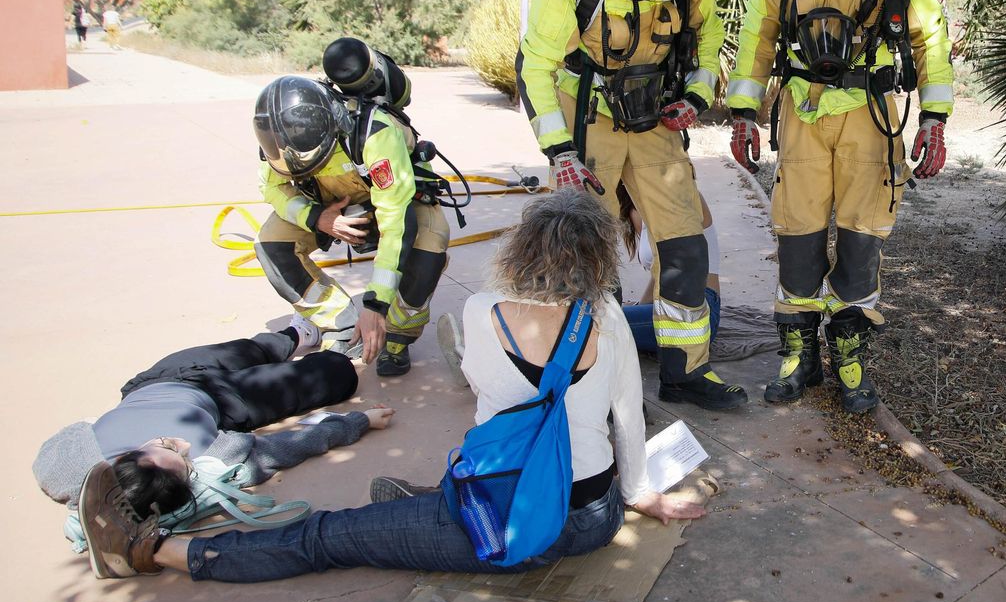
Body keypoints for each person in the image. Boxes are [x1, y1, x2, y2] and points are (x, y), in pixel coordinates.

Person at [74, 190, 704, 581]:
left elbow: (487, 395)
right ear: (598, 260)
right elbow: (628, 418)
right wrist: (640, 495)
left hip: (510, 518)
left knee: (327, 537)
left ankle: (151, 551)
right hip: (592, 517)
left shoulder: (484, 310)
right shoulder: (610, 317)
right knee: (440, 492)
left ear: (522, 248)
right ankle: (421, 505)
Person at [726, 0, 953, 413]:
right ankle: (798, 356)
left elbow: (931, 42)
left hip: (869, 118)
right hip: (802, 114)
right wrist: (745, 113)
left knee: (861, 239)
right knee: (797, 236)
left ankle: (849, 358)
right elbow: (757, 38)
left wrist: (934, 120)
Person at [515, 0, 746, 410]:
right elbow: (534, 65)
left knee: (686, 243)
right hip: (587, 116)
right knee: (586, 251)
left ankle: (685, 373)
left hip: (654, 113)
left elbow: (708, 35)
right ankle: (595, 382)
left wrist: (695, 95)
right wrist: (560, 151)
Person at [33, 316, 389, 523]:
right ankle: (328, 353)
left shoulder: (74, 469)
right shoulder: (215, 458)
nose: (182, 443)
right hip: (224, 400)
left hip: (155, 380)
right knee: (337, 373)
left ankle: (295, 335)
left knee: (248, 350)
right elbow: (289, 446)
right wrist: (358, 422)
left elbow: (55, 452)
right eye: (181, 456)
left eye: (165, 444)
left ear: (127, 457)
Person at [252, 42, 451, 377]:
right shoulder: (282, 137)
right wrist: (316, 218)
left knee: (429, 247)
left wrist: (375, 304)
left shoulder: (375, 135)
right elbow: (273, 187)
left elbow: (396, 221)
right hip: (330, 209)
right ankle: (341, 326)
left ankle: (397, 336)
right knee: (271, 244)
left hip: (398, 202)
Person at [617, 182, 721, 352]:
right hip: (668, 305)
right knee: (603, 319)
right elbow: (660, 271)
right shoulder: (635, 205)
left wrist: (637, 308)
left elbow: (671, 264)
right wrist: (639, 307)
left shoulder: (682, 193)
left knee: (599, 326)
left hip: (698, 311)